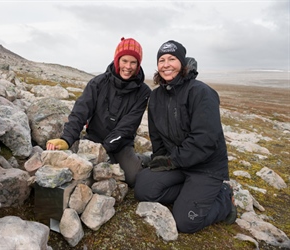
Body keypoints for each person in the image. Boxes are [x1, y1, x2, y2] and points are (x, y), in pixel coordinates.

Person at [134, 40, 237, 233]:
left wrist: (171, 162)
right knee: (144, 189)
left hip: (206, 167)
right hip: (179, 163)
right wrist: (160, 160)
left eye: (172, 59)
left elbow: (205, 139)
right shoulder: (156, 97)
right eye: (161, 60)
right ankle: (191, 194)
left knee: (185, 222)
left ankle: (224, 199)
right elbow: (157, 136)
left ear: (182, 62)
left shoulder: (201, 92)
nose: (166, 64)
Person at [46, 37, 151, 188]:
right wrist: (67, 139)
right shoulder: (98, 83)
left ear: (138, 64)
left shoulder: (143, 92)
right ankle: (114, 160)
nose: (128, 66)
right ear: (117, 60)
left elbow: (128, 125)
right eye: (124, 61)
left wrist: (105, 149)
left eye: (133, 62)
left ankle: (141, 159)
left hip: (121, 143)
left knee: (133, 178)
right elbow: (80, 111)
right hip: (93, 139)